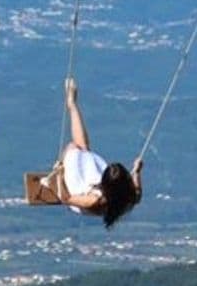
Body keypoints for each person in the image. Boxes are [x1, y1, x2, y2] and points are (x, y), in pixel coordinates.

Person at [44, 77, 143, 229]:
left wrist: (59, 176)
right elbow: (138, 193)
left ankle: (72, 104)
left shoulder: (94, 200)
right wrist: (137, 171)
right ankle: (72, 104)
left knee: (73, 148)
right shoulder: (128, 195)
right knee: (84, 150)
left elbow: (66, 198)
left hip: (77, 194)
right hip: (98, 188)